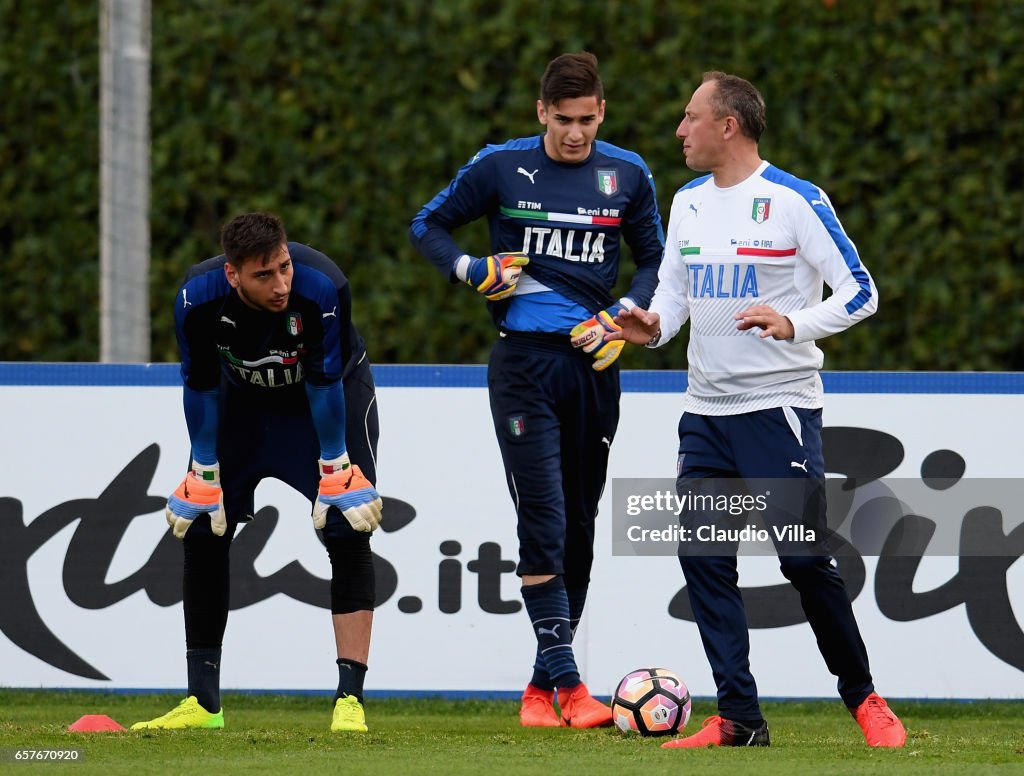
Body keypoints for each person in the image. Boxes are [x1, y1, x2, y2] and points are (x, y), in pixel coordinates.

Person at [609, 72, 906, 748]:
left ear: (728, 126)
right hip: (705, 415)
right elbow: (677, 300)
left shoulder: (796, 201)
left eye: (690, 117)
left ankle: (864, 698)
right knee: (704, 557)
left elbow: (862, 292)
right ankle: (740, 718)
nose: (680, 131)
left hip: (779, 411)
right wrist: (651, 328)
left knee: (803, 560)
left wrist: (794, 324)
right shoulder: (685, 203)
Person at [409, 52, 664, 728]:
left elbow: (655, 264)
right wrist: (470, 267)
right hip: (523, 366)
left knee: (578, 527)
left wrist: (625, 313)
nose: (575, 134)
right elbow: (426, 225)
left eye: (586, 120)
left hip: (596, 368)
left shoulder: (629, 174)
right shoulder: (501, 165)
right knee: (544, 521)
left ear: (601, 111)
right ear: (541, 112)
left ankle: (538, 690)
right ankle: (574, 688)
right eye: (562, 120)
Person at [131, 212, 383, 733]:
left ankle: (349, 702)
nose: (281, 284)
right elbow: (198, 386)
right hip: (241, 404)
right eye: (264, 275)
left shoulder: (323, 287)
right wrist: (203, 468)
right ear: (233, 274)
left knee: (346, 524)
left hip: (322, 401)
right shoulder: (195, 301)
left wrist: (336, 466)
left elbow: (324, 381)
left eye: (284, 267)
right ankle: (203, 706)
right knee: (202, 526)